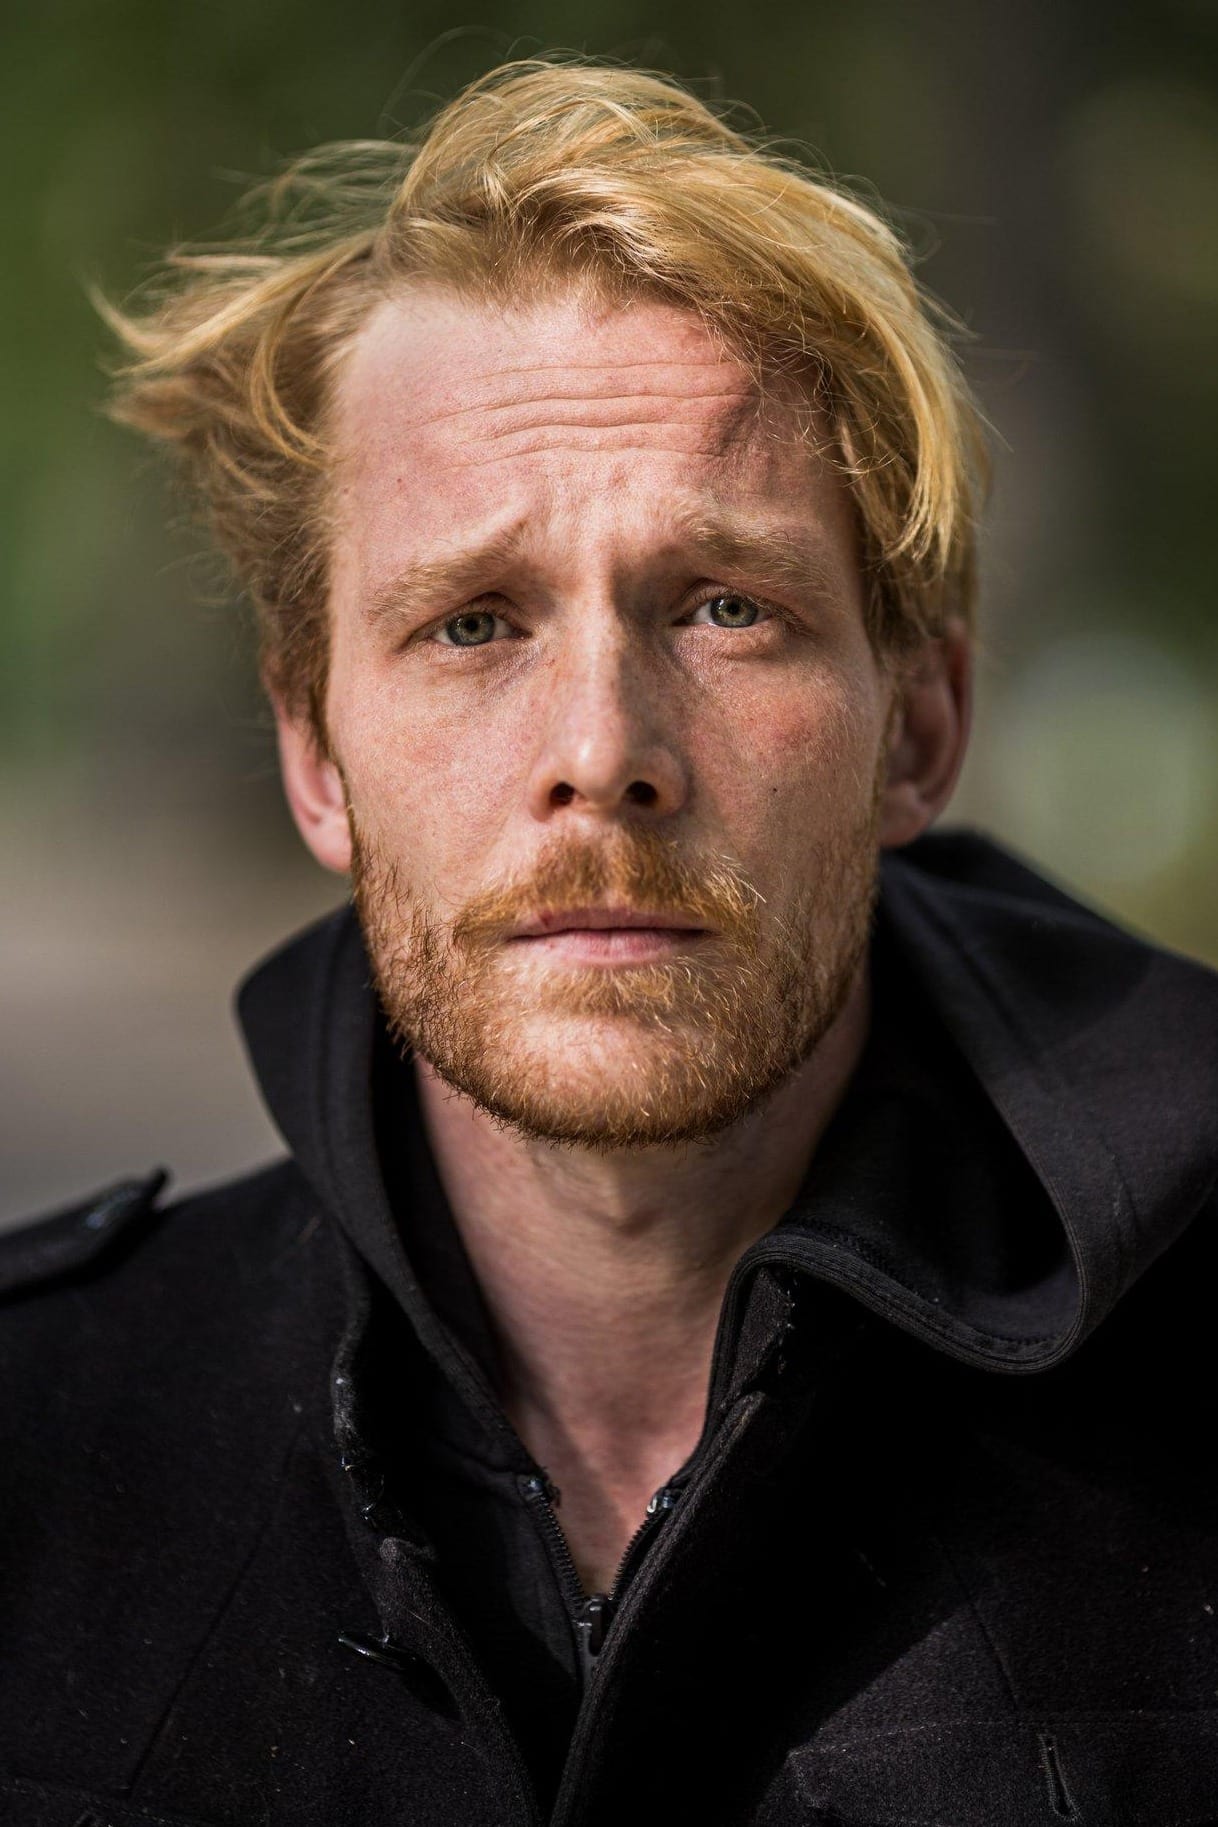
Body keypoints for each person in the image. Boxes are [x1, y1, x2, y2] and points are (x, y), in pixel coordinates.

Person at [3, 56, 1217, 1827]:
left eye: (726, 607)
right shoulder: (39, 1436)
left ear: (918, 727)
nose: (600, 751)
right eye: (471, 622)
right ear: (314, 754)